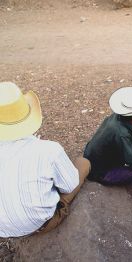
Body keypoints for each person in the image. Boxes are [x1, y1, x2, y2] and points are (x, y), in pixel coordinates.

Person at [0, 82, 90, 237]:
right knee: (83, 163)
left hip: (4, 230)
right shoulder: (50, 150)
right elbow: (69, 186)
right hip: (38, 225)